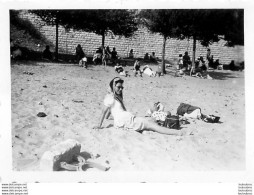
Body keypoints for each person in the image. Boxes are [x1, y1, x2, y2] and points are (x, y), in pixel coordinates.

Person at [93, 77, 182, 136]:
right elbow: (103, 112)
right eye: (118, 87)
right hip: (125, 120)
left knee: (151, 120)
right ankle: (178, 133)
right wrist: (98, 125)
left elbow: (109, 112)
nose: (120, 89)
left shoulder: (114, 97)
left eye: (122, 87)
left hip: (125, 119)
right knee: (153, 125)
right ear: (113, 86)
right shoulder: (110, 97)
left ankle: (143, 129)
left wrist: (111, 116)